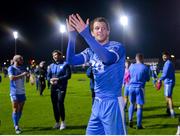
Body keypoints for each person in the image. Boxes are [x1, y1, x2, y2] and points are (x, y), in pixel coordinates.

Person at [66, 14, 126, 135]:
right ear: (92, 32)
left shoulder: (117, 46)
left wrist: (85, 35)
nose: (100, 30)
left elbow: (107, 58)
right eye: (97, 28)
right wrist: (72, 35)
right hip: (97, 103)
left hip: (112, 102)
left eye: (103, 28)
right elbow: (70, 60)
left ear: (108, 31)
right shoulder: (90, 51)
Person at [47, 50, 71, 130]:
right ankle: (57, 122)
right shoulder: (51, 65)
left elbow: (68, 75)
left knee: (60, 103)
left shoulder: (66, 64)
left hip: (62, 87)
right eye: (53, 55)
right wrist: (50, 80)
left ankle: (63, 122)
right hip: (53, 88)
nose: (55, 56)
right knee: (54, 105)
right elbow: (48, 76)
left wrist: (58, 79)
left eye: (56, 55)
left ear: (60, 56)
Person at [8, 55, 28, 134]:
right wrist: (22, 75)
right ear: (16, 60)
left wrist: (28, 77)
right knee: (15, 109)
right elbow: (11, 78)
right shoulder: (11, 68)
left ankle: (15, 122)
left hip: (22, 92)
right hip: (14, 92)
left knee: (20, 110)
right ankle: (16, 126)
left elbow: (25, 79)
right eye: (21, 59)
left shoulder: (22, 68)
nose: (22, 61)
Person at [128, 53, 150, 129]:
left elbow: (129, 76)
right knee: (139, 106)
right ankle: (139, 125)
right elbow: (148, 79)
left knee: (131, 104)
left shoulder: (131, 66)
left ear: (136, 58)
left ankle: (130, 120)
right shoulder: (145, 67)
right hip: (139, 88)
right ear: (142, 58)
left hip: (131, 87)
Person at [158, 51, 175, 118]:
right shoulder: (167, 63)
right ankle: (168, 110)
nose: (164, 57)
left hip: (169, 82)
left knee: (169, 97)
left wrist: (160, 79)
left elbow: (165, 74)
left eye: (165, 56)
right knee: (167, 96)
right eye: (163, 56)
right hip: (168, 82)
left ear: (168, 56)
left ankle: (172, 113)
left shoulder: (168, 63)